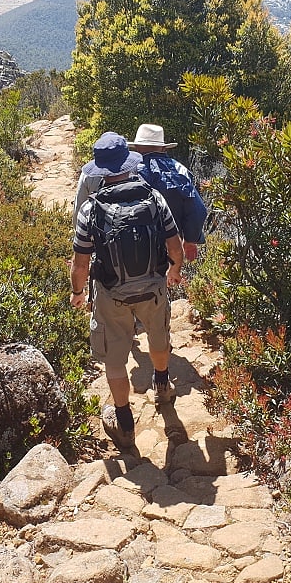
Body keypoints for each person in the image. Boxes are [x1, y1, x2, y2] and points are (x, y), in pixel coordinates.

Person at [70, 132, 184, 453]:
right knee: (158, 339)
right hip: (153, 288)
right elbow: (175, 246)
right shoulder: (154, 198)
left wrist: (78, 293)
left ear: (100, 170)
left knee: (115, 359)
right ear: (129, 164)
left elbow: (80, 265)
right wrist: (174, 271)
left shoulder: (89, 211)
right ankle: (162, 386)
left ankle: (124, 423)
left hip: (111, 294)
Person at [74, 123, 208, 262]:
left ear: (136, 147)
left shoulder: (129, 171)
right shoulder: (181, 170)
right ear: (163, 147)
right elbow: (198, 210)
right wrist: (190, 239)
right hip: (175, 245)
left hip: (138, 247)